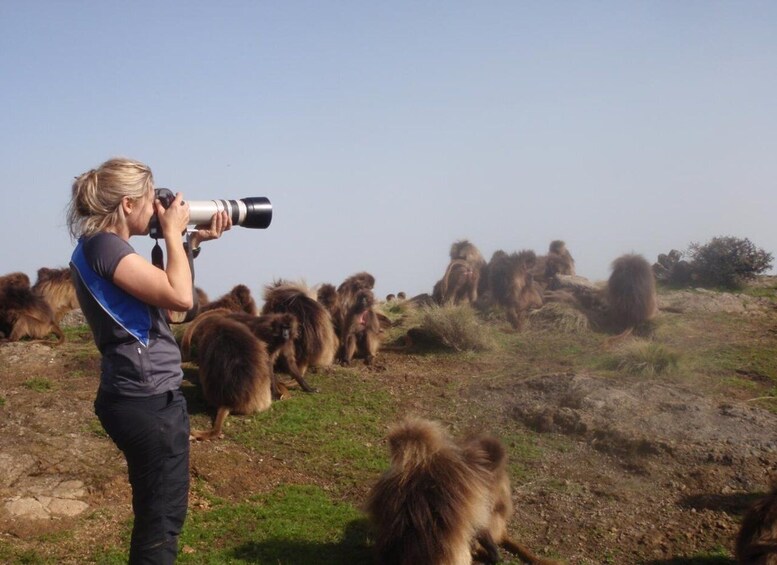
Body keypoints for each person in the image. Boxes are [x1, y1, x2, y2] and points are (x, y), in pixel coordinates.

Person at [66, 157, 231, 564]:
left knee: (157, 516)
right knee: (160, 524)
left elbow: (173, 309)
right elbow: (181, 297)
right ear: (127, 204)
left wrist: (189, 245)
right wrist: (172, 233)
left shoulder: (100, 248)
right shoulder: (105, 246)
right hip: (147, 400)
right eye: (149, 198)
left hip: (140, 396)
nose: (157, 208)